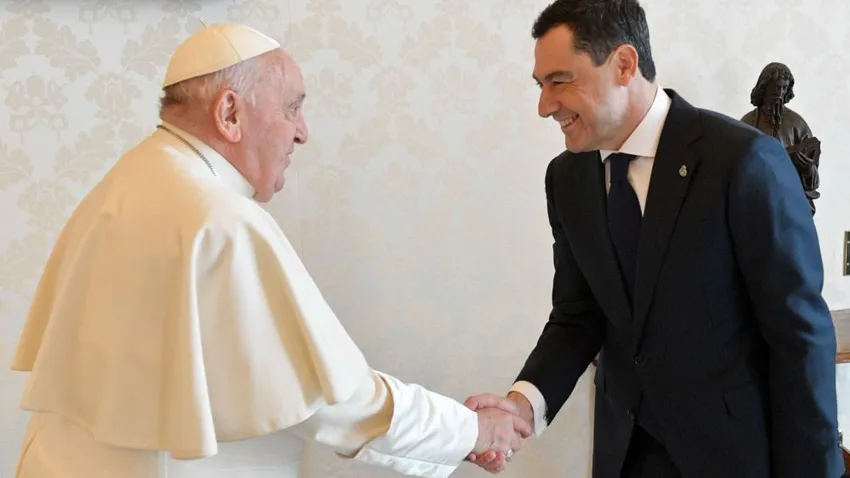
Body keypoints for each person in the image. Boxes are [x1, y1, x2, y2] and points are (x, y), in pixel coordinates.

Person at [10, 23, 529, 478]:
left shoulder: (125, 182)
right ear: (229, 113)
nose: (302, 133)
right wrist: (471, 430)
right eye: (291, 109)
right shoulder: (219, 218)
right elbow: (336, 400)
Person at [466, 1, 842, 477]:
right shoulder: (567, 178)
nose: (544, 106)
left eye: (559, 81)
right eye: (540, 85)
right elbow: (578, 316)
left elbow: (799, 338)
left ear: (624, 65)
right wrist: (522, 404)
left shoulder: (744, 161)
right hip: (623, 456)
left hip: (733, 458)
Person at [740, 62, 821, 214]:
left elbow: (813, 182)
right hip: (756, 199)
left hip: (789, 201)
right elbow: (736, 166)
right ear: (764, 87)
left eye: (784, 88)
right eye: (776, 87)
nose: (780, 93)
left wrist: (808, 169)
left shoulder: (797, 124)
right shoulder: (747, 123)